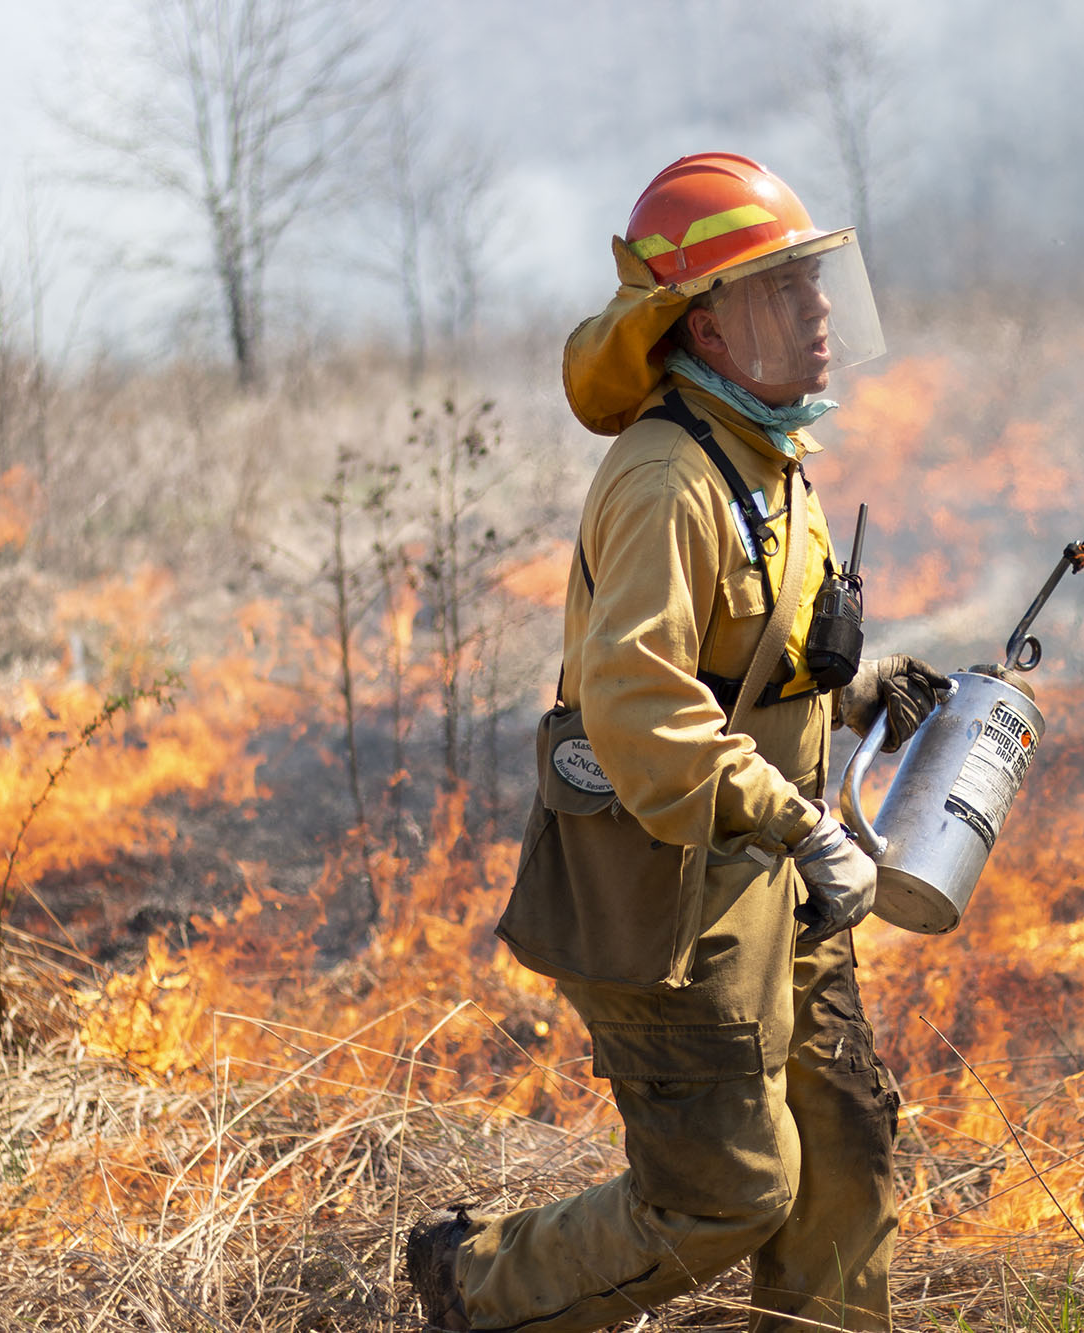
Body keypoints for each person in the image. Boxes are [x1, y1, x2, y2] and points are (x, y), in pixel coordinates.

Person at [405, 152, 949, 1333]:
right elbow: (642, 710)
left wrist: (860, 696)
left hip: (772, 884)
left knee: (845, 1149)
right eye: (782, 293)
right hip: (672, 898)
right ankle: (473, 1285)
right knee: (725, 1196)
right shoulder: (665, 477)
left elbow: (745, 657)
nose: (817, 316)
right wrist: (803, 826)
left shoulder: (764, 457)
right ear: (706, 324)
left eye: (816, 286)